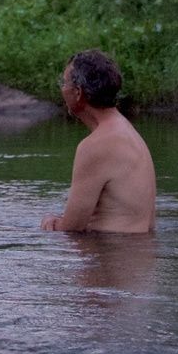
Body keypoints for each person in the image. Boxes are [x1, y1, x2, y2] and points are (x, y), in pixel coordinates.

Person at [42, 49, 157, 233]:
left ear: (78, 93)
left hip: (112, 253)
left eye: (64, 83)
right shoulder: (130, 133)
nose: (62, 89)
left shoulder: (96, 146)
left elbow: (72, 228)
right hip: (138, 251)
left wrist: (51, 223)